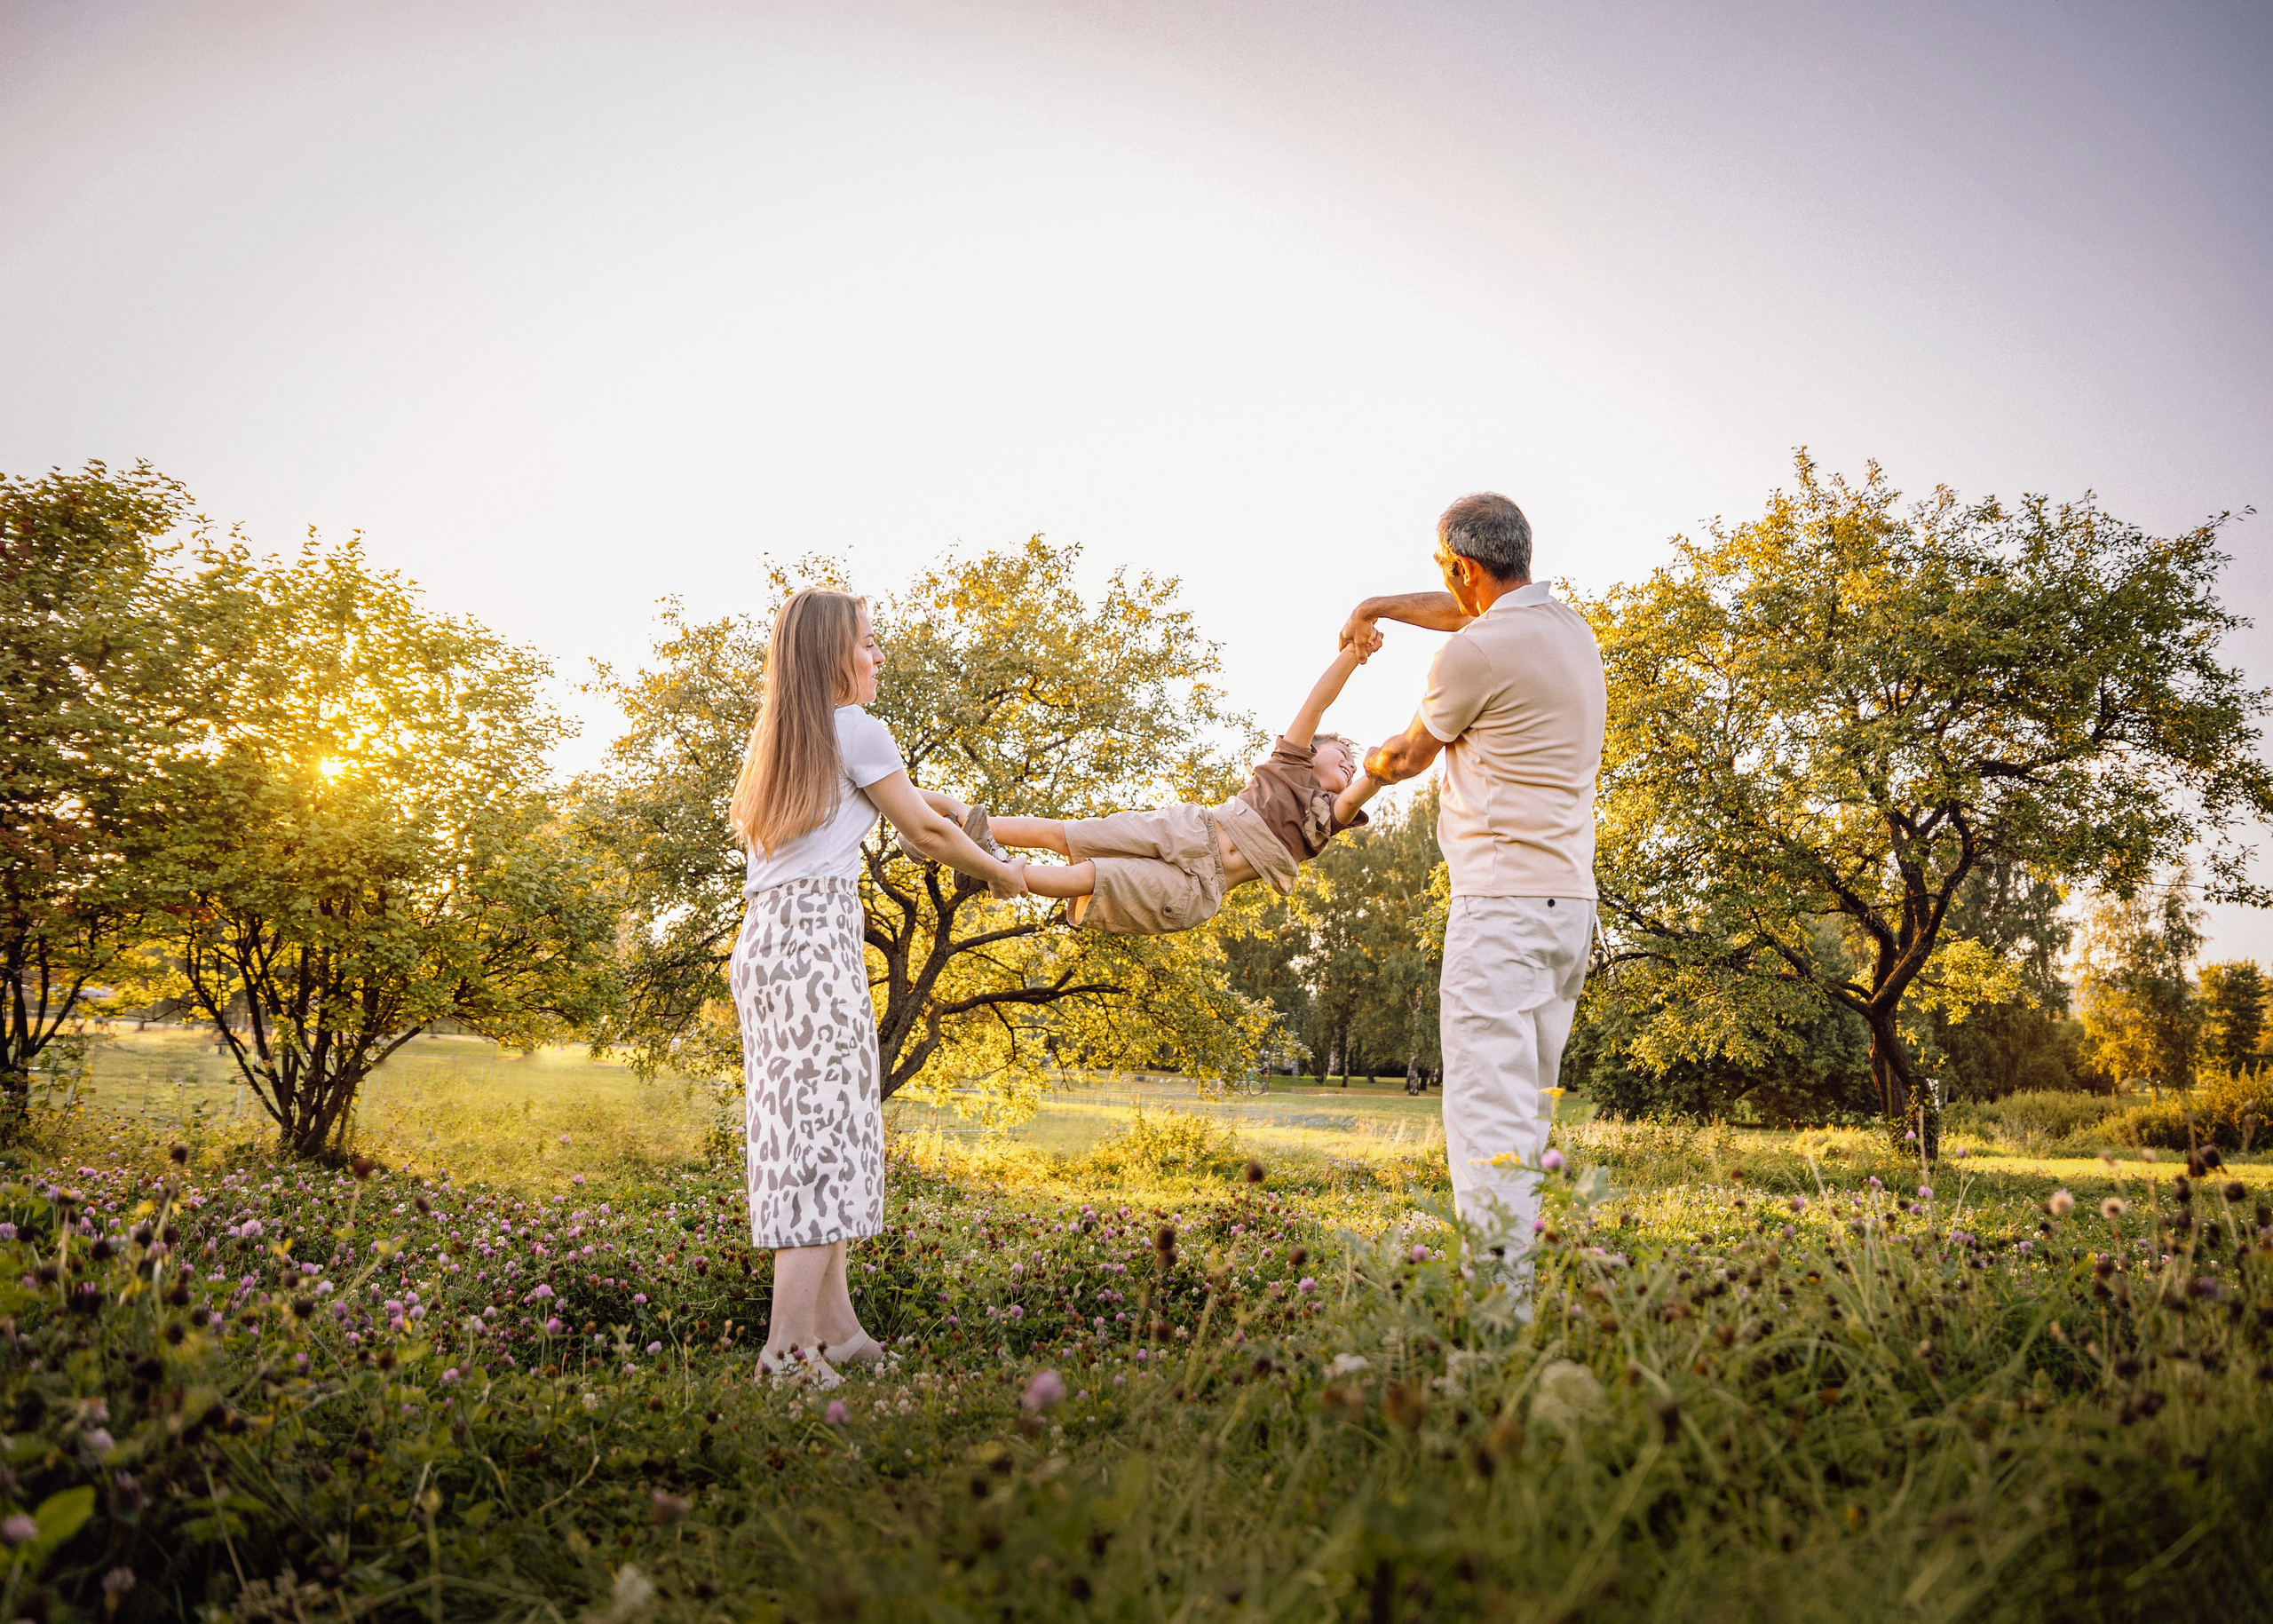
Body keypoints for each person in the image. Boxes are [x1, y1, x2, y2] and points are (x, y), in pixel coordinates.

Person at [727, 587, 1029, 1389]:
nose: (878, 654)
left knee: (828, 1128)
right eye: (867, 641)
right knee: (820, 1142)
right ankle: (786, 1351)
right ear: (834, 654)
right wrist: (1001, 871)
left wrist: (958, 804)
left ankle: (837, 1328)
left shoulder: (791, 738)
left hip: (773, 949)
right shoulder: (857, 729)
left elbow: (903, 796)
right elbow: (921, 830)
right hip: (814, 953)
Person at [1340, 492, 1606, 1303]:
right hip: (1567, 909)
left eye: (1444, 571)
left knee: (1488, 1120)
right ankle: (1523, 1290)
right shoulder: (1566, 630)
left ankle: (1499, 1328)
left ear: (1462, 567)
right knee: (1525, 1117)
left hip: (1502, 911)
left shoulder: (1475, 655)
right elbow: (1468, 619)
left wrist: (1349, 794)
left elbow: (1408, 755)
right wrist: (1376, 605)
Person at [966, 645, 1382, 933]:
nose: (1348, 761)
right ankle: (950, 817)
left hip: (1199, 888)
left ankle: (1002, 873)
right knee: (1067, 835)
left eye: (1352, 762)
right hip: (1189, 830)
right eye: (1341, 751)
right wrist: (1352, 654)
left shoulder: (1328, 821)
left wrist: (1379, 770)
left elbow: (1360, 791)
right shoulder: (1288, 765)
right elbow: (1316, 704)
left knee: (1096, 877)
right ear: (1312, 751)